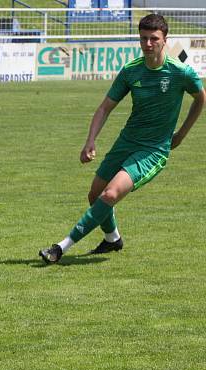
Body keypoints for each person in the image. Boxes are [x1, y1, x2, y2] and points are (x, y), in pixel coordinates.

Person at [40, 14, 204, 264]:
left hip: (153, 150)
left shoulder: (180, 72)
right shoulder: (131, 70)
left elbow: (200, 98)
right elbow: (105, 107)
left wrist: (181, 134)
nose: (148, 44)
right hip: (126, 141)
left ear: (165, 40)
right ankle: (113, 239)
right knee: (95, 196)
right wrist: (90, 141)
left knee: (110, 194)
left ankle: (61, 247)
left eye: (154, 39)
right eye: (143, 39)